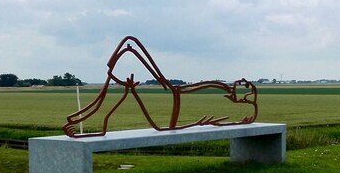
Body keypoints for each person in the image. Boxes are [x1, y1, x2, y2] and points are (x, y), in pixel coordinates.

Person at [64, 36, 258, 137]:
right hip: (173, 94)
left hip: (173, 100)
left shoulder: (232, 104)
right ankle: (85, 119)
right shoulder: (220, 92)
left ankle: (85, 120)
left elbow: (199, 91)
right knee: (127, 47)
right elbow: (197, 87)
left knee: (127, 49)